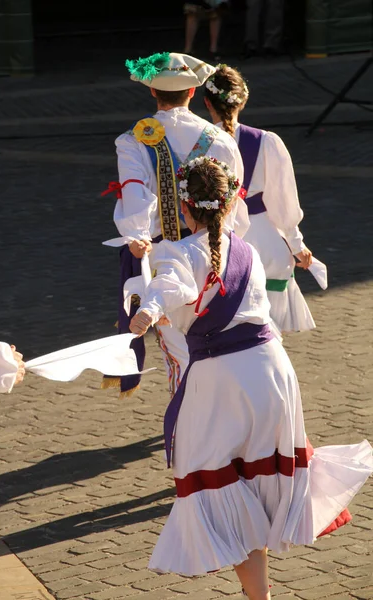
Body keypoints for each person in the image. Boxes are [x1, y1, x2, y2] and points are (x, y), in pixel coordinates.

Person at [129, 157, 373, 599]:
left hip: (221, 379)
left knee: (219, 483)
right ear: (228, 204)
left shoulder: (178, 252)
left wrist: (148, 311)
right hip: (272, 369)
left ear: (184, 208)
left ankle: (258, 596)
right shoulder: (247, 250)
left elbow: (173, 284)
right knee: (254, 481)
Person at [102, 51, 248, 399]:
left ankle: (193, 419)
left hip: (163, 255)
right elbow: (234, 201)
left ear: (153, 91)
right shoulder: (221, 139)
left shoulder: (133, 139)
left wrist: (135, 236)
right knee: (216, 336)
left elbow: (135, 192)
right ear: (193, 92)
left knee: (180, 352)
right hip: (215, 248)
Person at [203, 63, 318, 333]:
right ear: (243, 101)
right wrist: (296, 243)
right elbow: (283, 200)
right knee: (267, 331)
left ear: (207, 103)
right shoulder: (266, 141)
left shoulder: (199, 143)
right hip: (265, 242)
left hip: (221, 243)